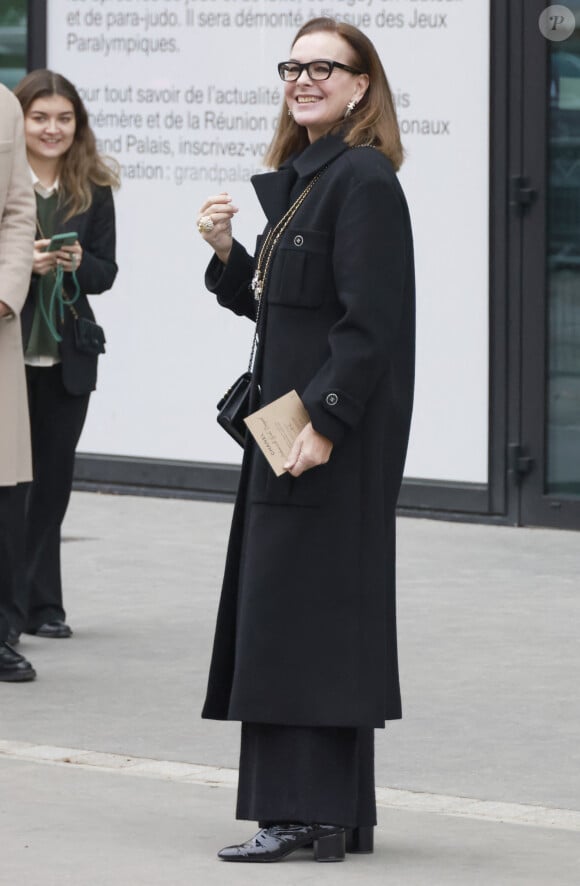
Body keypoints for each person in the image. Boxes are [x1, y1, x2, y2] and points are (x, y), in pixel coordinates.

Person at [197, 17, 415, 863]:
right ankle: (331, 815)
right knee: (297, 615)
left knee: (301, 621)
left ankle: (298, 815)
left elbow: (371, 327)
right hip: (288, 436)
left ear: (364, 85)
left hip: (322, 443)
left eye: (327, 66)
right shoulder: (310, 180)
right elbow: (280, 306)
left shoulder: (362, 180)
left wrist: (324, 424)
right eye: (295, 65)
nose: (305, 78)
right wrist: (225, 254)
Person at [9, 70, 119, 642]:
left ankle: (43, 605)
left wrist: (79, 264)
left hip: (68, 357)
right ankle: (17, 605)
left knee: (52, 486)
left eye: (64, 118)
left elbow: (107, 271)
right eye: (40, 117)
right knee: (13, 487)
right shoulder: (5, 182)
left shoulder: (91, 187)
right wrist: (21, 264)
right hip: (11, 355)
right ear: (19, 121)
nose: (53, 129)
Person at [0, 83, 37, 681]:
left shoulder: (3, 104)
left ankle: (1, 632)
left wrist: (5, 295)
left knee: (3, 494)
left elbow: (17, 211)